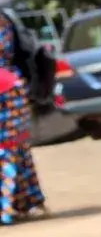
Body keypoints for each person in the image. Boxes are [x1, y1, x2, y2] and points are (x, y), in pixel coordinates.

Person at [0, 12, 48, 224]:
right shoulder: (6, 19)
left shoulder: (3, 21)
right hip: (14, 87)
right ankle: (28, 200)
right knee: (15, 147)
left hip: (8, 91)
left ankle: (8, 207)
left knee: (8, 149)